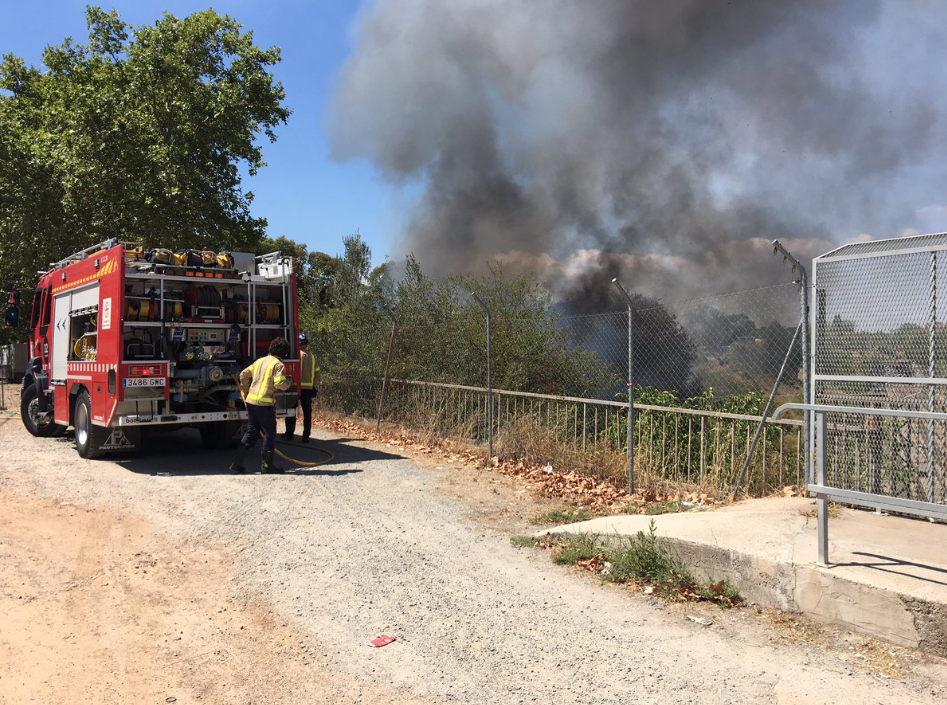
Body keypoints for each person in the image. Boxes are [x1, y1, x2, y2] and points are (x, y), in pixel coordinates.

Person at [231, 337, 292, 473]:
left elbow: (243, 374)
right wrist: (288, 382)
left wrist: (245, 390)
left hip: (251, 402)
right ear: (284, 353)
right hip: (264, 404)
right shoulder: (278, 365)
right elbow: (280, 384)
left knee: (252, 431)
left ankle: (237, 463)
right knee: (270, 433)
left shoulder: (259, 361)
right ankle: (267, 466)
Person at [282, 332, 320, 443]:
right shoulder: (312, 356)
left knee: (291, 411)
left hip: (296, 387)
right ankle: (306, 436)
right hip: (308, 389)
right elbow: (317, 373)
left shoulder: (297, 355)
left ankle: (289, 434)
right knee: (307, 413)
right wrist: (313, 384)